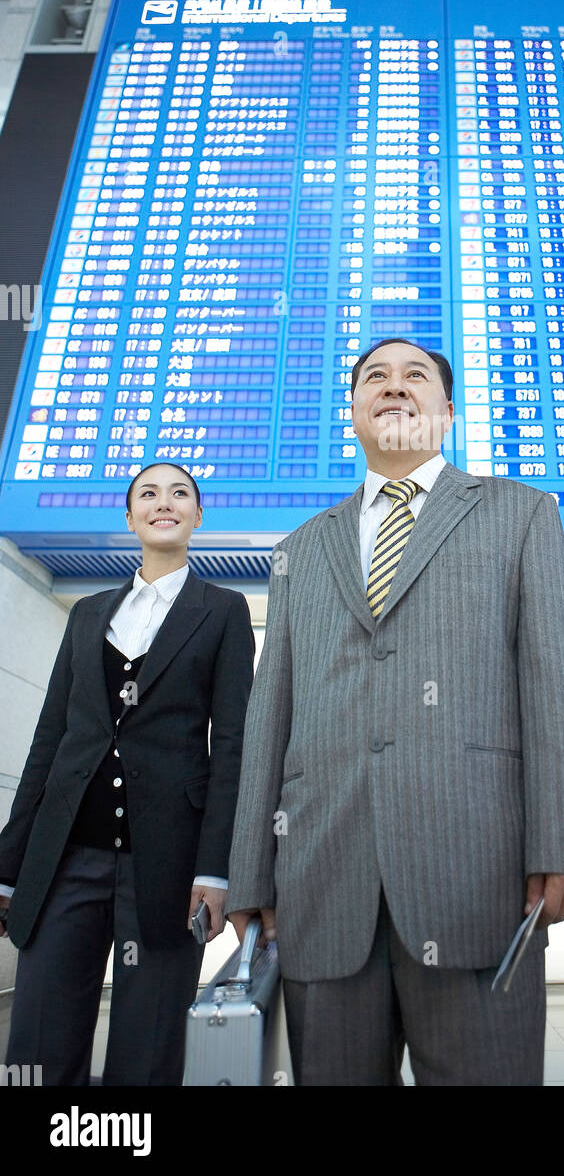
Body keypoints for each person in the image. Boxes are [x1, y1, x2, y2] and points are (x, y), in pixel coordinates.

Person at [227, 337, 564, 1086]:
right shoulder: (300, 548)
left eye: (415, 376)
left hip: (477, 879)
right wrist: (249, 877)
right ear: (354, 413)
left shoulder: (521, 514)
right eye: (375, 378)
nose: (394, 387)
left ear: (449, 411)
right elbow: (269, 715)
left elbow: (556, 683)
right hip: (321, 885)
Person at [0, 463, 255, 1086]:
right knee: (37, 1041)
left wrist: (215, 868)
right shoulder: (87, 614)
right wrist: (8, 867)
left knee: (148, 1049)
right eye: (148, 494)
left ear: (197, 517)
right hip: (66, 860)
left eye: (179, 494)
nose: (163, 503)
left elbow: (234, 748)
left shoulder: (222, 612)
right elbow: (50, 741)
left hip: (166, 866)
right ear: (129, 517)